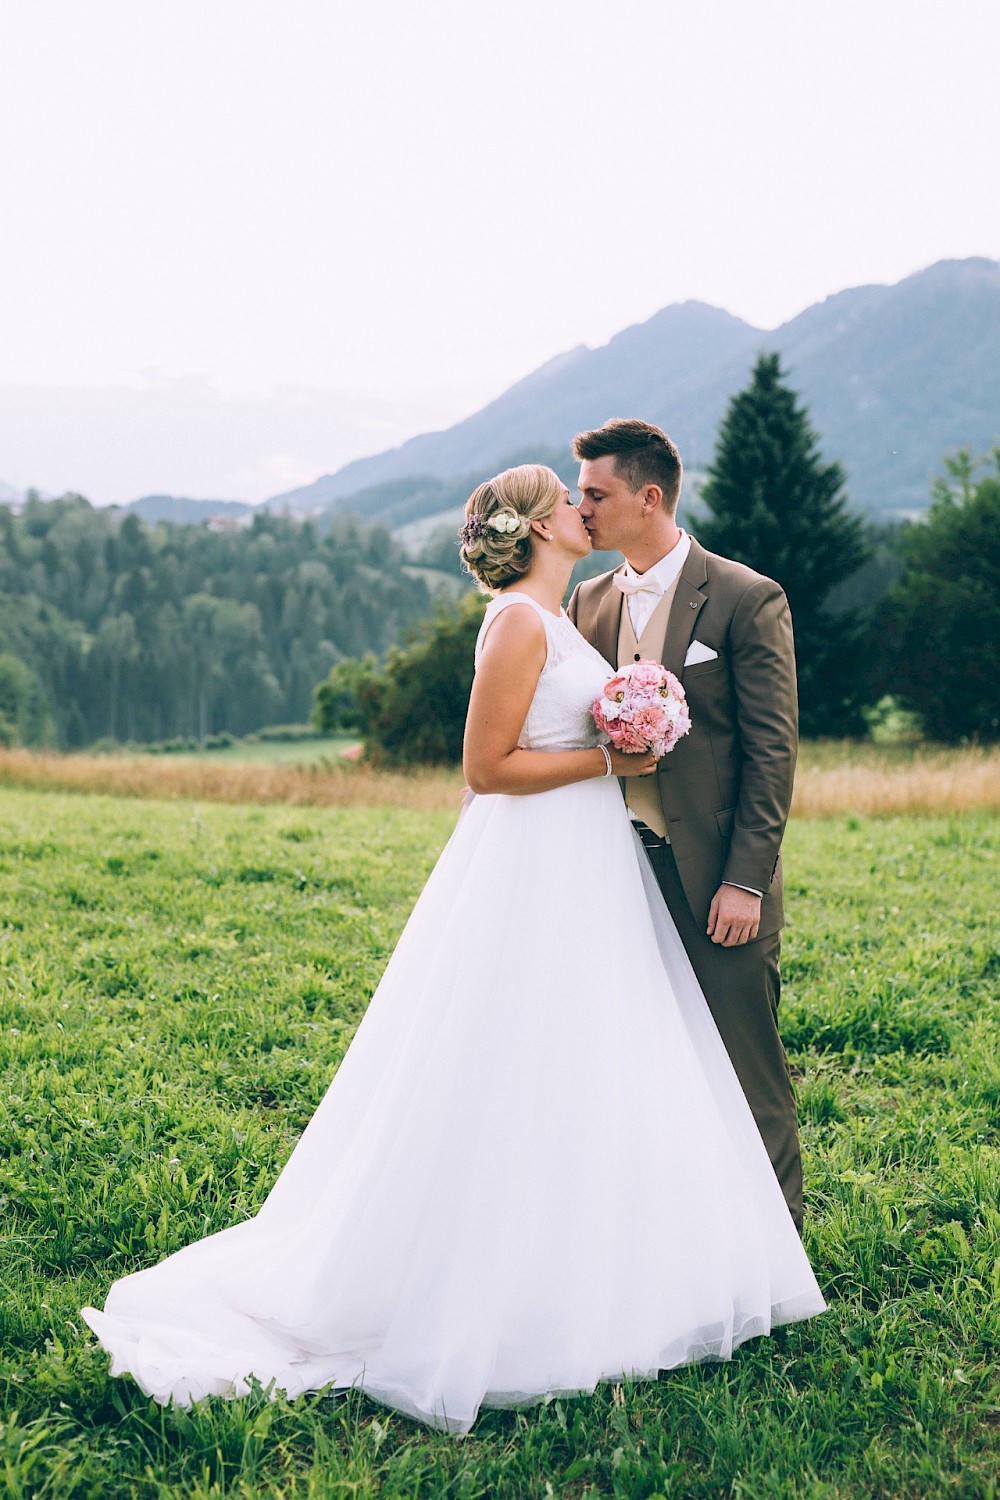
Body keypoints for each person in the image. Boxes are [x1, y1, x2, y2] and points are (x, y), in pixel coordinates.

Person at [82, 463, 824, 1435]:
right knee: (511, 1060)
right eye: (566, 498)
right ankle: (485, 1289)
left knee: (592, 1062)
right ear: (536, 525)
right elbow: (487, 767)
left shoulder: (563, 619)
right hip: (537, 864)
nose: (580, 506)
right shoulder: (519, 621)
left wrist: (627, 737)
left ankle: (590, 1270)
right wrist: (613, 755)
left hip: (588, 862)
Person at [567, 419, 804, 1229]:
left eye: (595, 494)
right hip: (616, 878)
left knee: (747, 1074)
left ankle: (779, 1261)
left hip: (714, 878)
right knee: (642, 1069)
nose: (581, 509)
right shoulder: (589, 600)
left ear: (649, 496)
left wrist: (744, 880)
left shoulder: (745, 596)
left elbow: (773, 753)